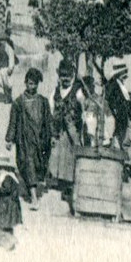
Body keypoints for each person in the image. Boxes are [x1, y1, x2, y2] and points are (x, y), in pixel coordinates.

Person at [5, 67, 52, 208]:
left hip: (40, 141)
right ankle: (34, 199)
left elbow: (48, 121)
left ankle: (30, 190)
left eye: (34, 84)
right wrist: (9, 139)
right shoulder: (18, 102)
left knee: (37, 166)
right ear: (25, 83)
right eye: (29, 83)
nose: (31, 86)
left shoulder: (43, 102)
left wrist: (51, 136)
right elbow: (13, 121)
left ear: (38, 85)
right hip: (24, 141)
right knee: (27, 164)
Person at [48, 59, 84, 197]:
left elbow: (84, 108)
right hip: (59, 127)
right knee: (58, 153)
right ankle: (60, 180)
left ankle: (70, 182)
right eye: (62, 76)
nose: (65, 79)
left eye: (68, 76)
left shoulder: (77, 90)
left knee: (71, 154)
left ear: (72, 75)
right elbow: (52, 107)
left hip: (72, 128)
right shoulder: (56, 91)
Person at [0, 172, 24, 250]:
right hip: (9, 203)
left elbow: (7, 189)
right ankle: (6, 238)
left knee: (3, 221)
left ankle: (7, 240)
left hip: (7, 204)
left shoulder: (7, 177)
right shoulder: (11, 177)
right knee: (7, 223)